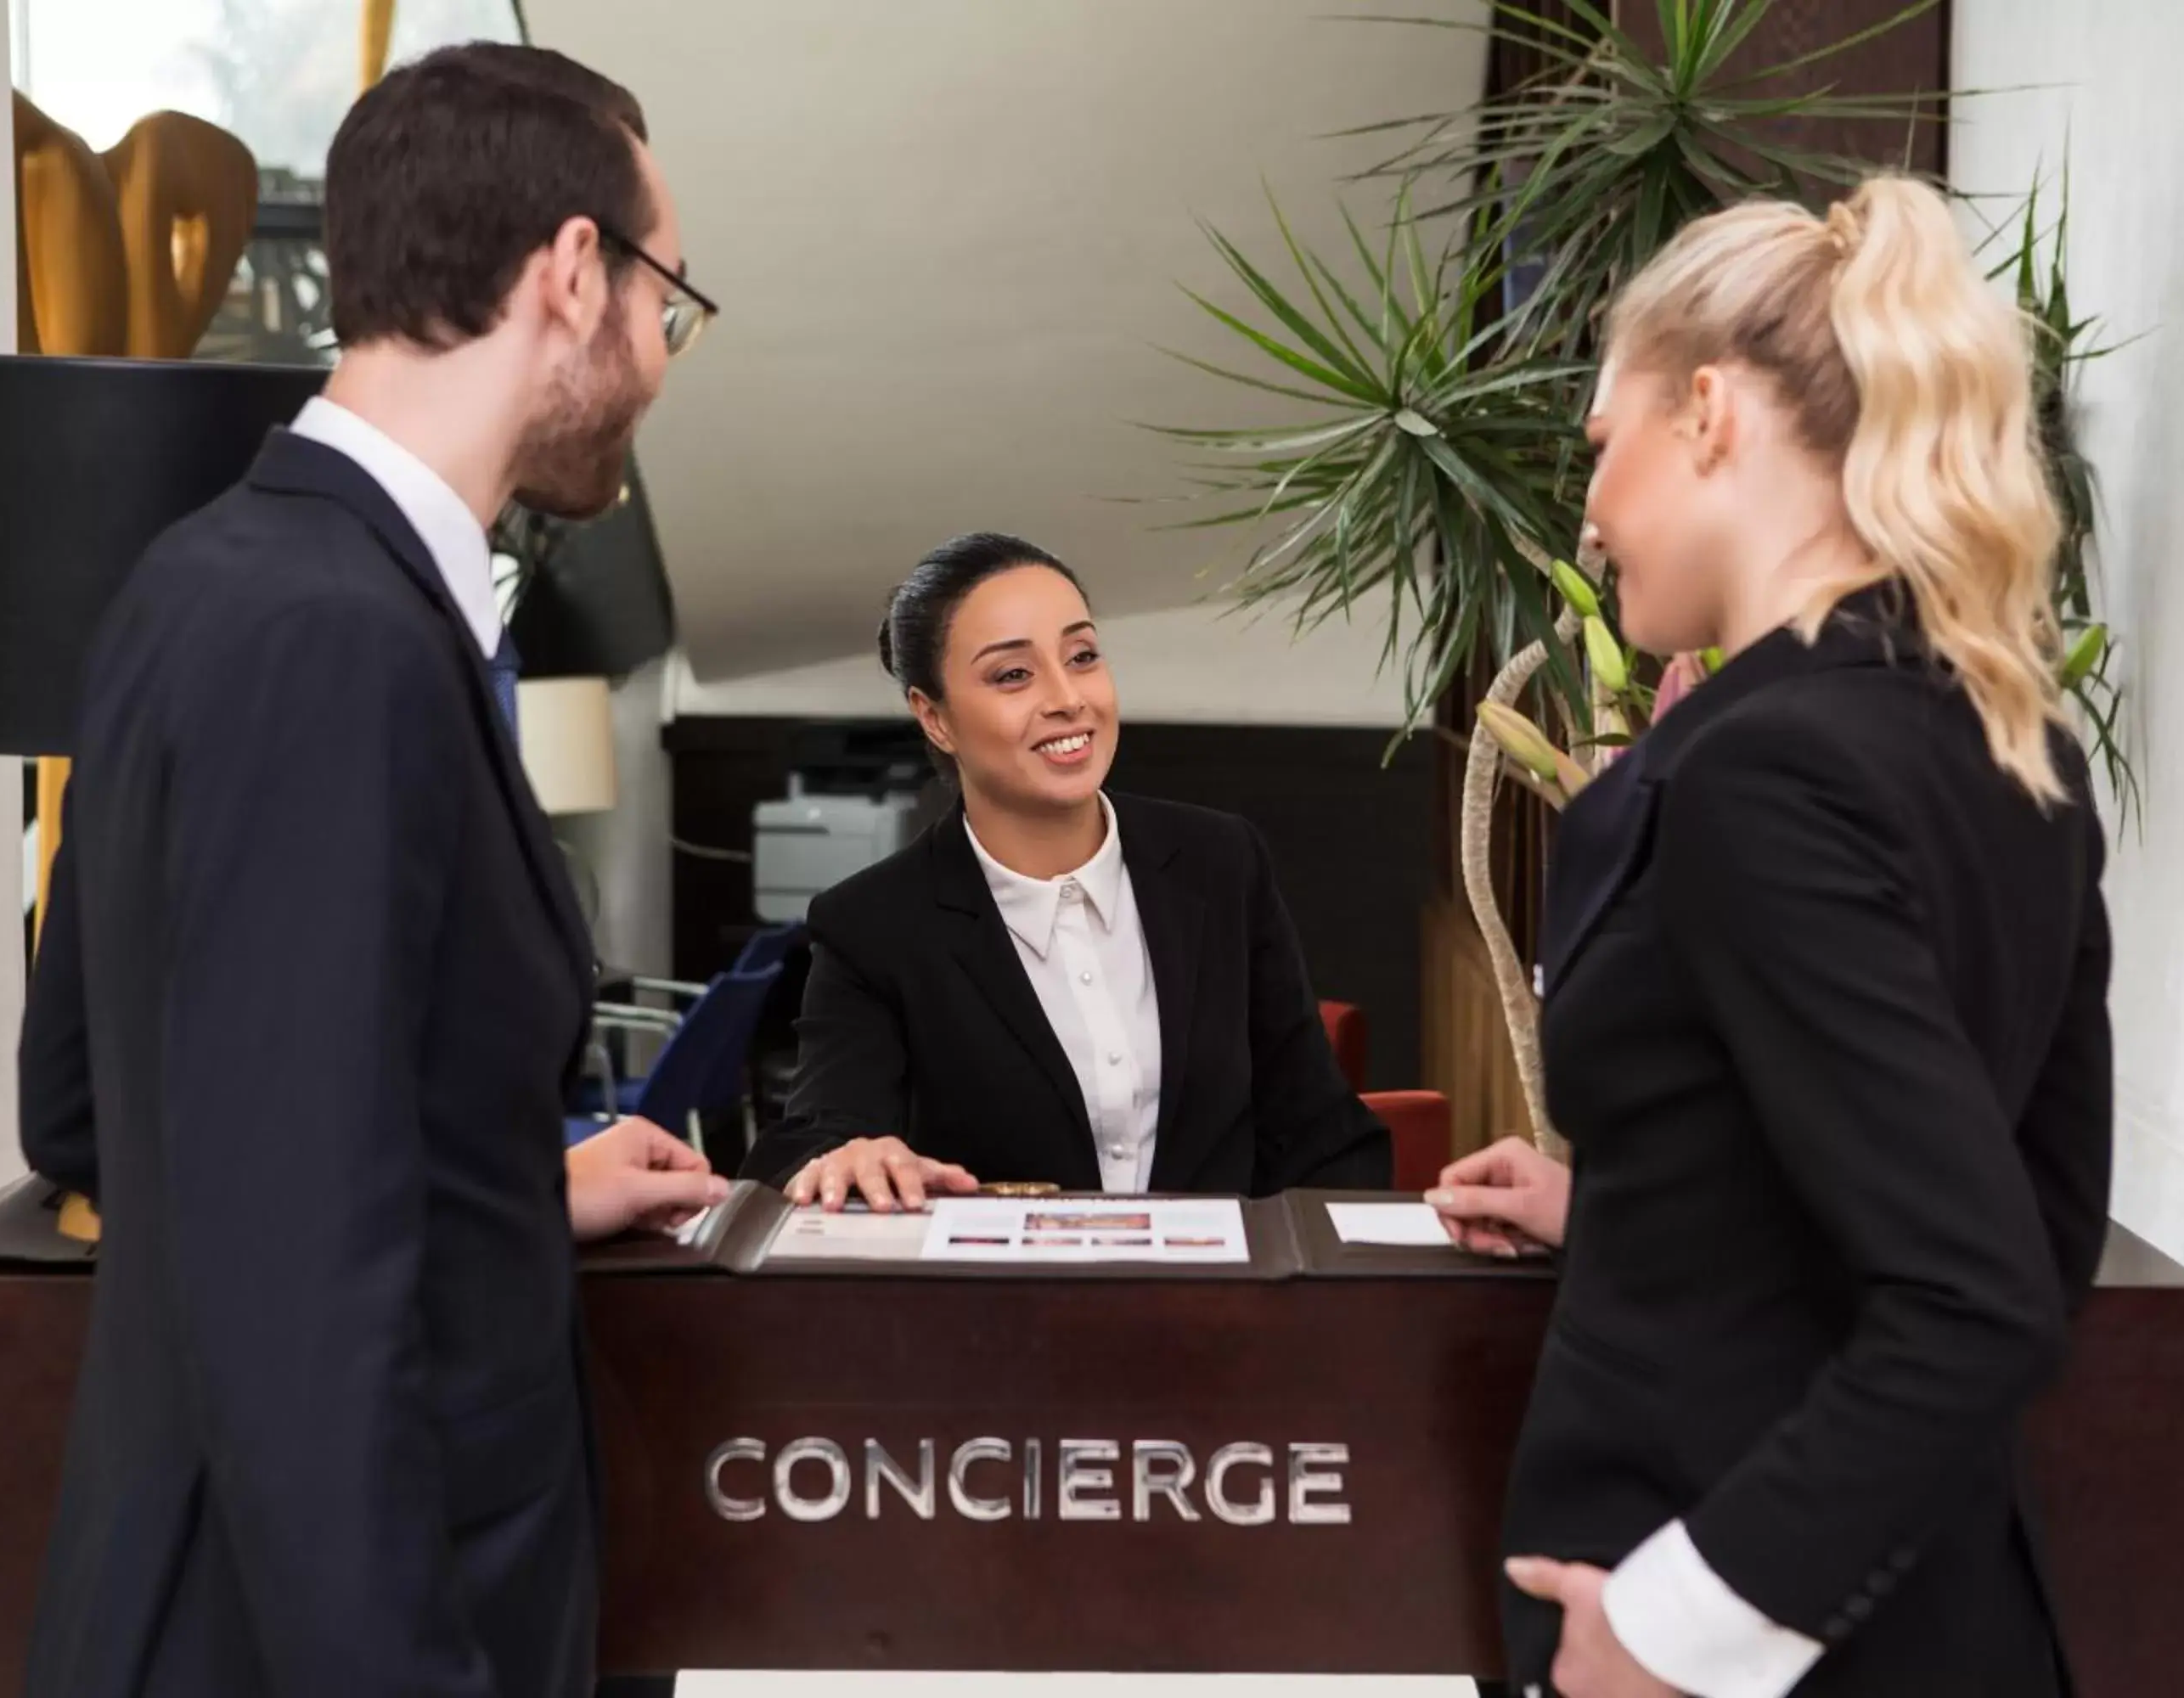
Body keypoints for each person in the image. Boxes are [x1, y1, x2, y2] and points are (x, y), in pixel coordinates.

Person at [16, 44, 723, 1697]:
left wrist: (504, 1184)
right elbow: (299, 1306)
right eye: (664, 302)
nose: (661, 363)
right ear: (569, 275)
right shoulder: (341, 643)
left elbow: (89, 1112)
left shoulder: (196, 577)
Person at [1427, 176, 2113, 1698]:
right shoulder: (2017, 746)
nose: (1590, 516)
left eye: (1603, 449)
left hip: (1730, 1634)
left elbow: (1973, 1292)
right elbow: (2029, 1234)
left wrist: (1674, 1629)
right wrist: (1642, 1207)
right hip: (1945, 1616)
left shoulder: (1758, 767)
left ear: (1711, 415)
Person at [740, 532, 1390, 1208]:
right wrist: (847, 1154)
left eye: (1082, 657)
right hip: (997, 1305)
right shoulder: (872, 925)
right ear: (934, 718)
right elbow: (816, 1135)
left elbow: (1318, 1130)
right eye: (1013, 674)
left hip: (1216, 1297)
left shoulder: (1221, 861)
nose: (1067, 698)